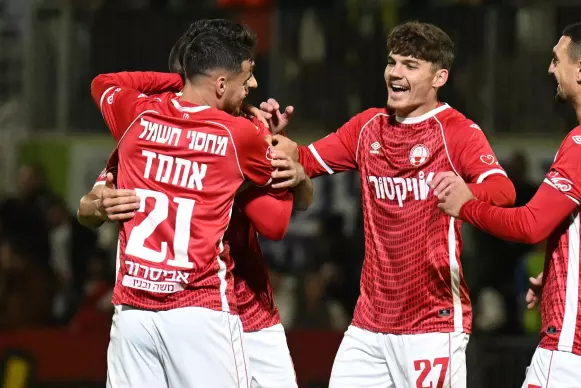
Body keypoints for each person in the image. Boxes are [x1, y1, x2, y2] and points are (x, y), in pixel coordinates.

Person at [268, 21, 516, 387]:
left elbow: (503, 190)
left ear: (439, 77)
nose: (396, 73)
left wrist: (469, 195)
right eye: (392, 63)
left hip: (432, 322)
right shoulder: (367, 127)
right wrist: (278, 138)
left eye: (410, 66)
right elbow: (305, 161)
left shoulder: (457, 132)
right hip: (369, 323)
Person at [431, 22, 581, 387]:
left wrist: (467, 205)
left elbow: (530, 225)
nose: (550, 69)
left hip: (580, 343)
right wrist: (571, 272)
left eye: (557, 60)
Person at [80, 20, 309, 388]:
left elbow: (102, 83)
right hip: (200, 309)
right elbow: (277, 222)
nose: (252, 86)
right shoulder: (239, 135)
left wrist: (185, 83)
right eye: (246, 76)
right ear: (219, 82)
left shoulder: (136, 118)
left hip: (133, 308)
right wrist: (269, 138)